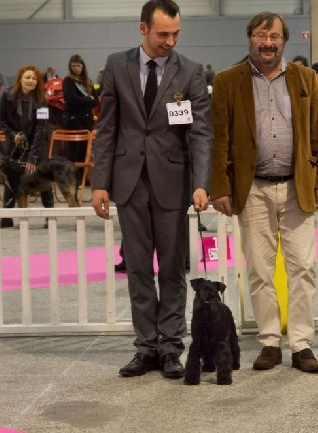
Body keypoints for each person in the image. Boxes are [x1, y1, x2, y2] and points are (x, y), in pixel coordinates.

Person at [91, 0, 212, 380]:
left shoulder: (190, 71)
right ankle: (145, 347)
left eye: (176, 33)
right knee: (139, 269)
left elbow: (201, 133)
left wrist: (201, 182)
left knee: (173, 269)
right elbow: (107, 128)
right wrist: (99, 183)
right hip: (128, 184)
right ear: (142, 29)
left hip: (173, 185)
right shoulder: (116, 65)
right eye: (163, 34)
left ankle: (172, 346)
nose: (170, 41)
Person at [210, 11, 318, 374]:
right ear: (249, 38)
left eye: (275, 37)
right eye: (262, 36)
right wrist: (221, 186)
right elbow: (220, 140)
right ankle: (268, 341)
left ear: (284, 40)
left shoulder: (306, 78)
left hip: (298, 187)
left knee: (303, 269)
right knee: (260, 271)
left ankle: (301, 344)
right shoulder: (226, 80)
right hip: (253, 190)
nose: (268, 43)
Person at [0, 65, 55, 229]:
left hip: (37, 144)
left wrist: (32, 158)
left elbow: (40, 129)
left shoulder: (42, 100)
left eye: (33, 78)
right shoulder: (6, 96)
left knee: (43, 178)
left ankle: (49, 216)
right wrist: (12, 134)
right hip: (14, 144)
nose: (30, 81)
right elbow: (1, 120)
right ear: (20, 79)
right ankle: (7, 217)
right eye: (27, 77)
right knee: (11, 178)